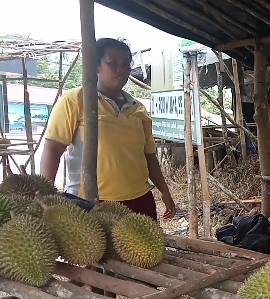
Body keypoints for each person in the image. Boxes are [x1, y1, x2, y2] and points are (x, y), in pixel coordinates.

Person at [40, 37, 176, 221]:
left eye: (125, 64)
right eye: (112, 63)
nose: (121, 69)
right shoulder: (75, 100)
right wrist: (42, 198)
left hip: (140, 199)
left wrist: (164, 191)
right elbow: (52, 149)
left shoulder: (138, 108)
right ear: (96, 66)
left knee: (145, 251)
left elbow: (149, 156)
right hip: (90, 202)